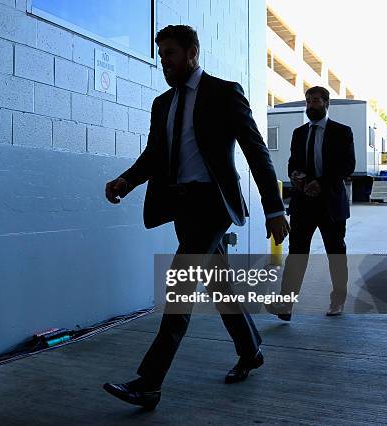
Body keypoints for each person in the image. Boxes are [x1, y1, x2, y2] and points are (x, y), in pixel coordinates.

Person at [102, 25, 289, 409]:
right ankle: (251, 350)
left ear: (192, 53)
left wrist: (274, 208)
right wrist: (127, 180)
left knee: (179, 285)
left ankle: (149, 382)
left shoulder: (224, 93)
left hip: (214, 204)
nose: (164, 63)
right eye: (160, 56)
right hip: (181, 206)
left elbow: (256, 151)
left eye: (170, 53)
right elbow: (155, 155)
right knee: (219, 285)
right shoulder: (163, 103)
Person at [266, 86, 355, 321]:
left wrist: (322, 184)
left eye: (315, 101)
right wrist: (295, 175)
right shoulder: (299, 133)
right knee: (297, 253)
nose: (311, 105)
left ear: (326, 104)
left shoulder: (342, 132)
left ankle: (338, 300)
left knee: (335, 253)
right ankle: (285, 305)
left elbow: (347, 165)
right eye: (308, 101)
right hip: (303, 202)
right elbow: (293, 161)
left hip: (331, 204)